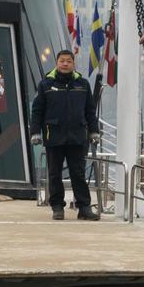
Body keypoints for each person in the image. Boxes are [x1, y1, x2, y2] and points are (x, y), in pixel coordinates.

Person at [28, 49, 100, 220]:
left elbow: (90, 110)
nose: (65, 64)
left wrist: (94, 130)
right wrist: (35, 132)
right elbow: (37, 110)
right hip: (54, 136)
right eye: (62, 61)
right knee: (54, 173)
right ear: (57, 63)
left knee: (78, 173)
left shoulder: (82, 84)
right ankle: (57, 207)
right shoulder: (46, 85)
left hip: (77, 137)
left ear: (73, 63)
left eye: (68, 61)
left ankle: (84, 208)